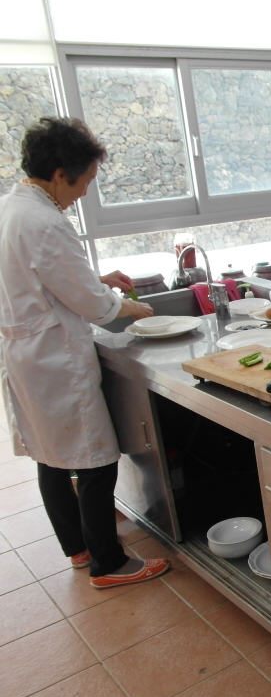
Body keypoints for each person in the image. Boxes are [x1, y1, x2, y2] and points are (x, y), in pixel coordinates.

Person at [0, 117, 169, 589]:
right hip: (56, 360)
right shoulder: (46, 221)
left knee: (50, 456)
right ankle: (109, 564)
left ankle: (76, 547)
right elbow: (93, 306)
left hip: (26, 355)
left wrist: (99, 280)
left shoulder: (10, 209)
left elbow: (45, 279)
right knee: (95, 459)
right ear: (60, 174)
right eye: (87, 180)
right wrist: (130, 305)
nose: (86, 191)